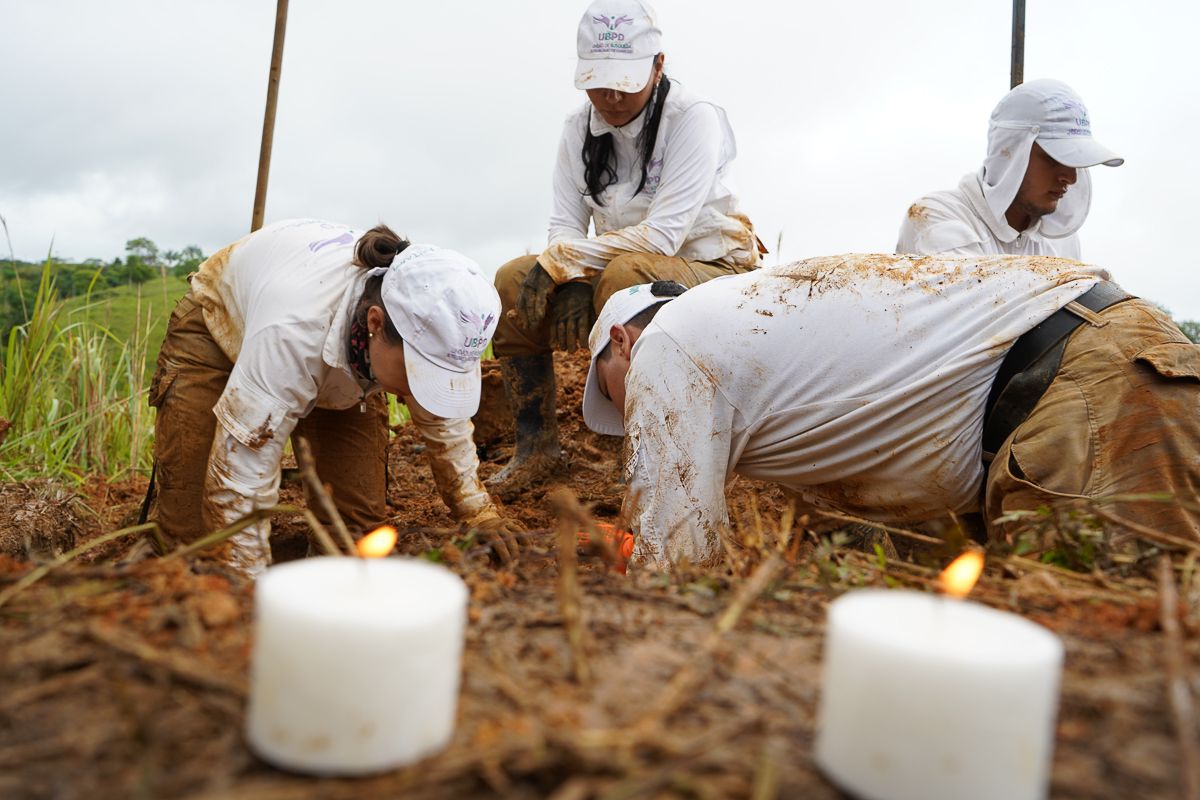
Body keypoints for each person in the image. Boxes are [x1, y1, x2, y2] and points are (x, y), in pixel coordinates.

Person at [584, 259, 1200, 569]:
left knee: (1115, 639)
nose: (628, 416)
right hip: (1101, 355)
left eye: (613, 397)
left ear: (621, 342)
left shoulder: (669, 345)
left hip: (1087, 385)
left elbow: (674, 561)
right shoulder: (744, 323)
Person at [489, 0, 762, 495]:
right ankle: (538, 447)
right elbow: (565, 224)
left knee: (624, 282)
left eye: (626, 79)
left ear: (658, 66)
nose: (611, 95)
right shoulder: (577, 129)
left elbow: (663, 236)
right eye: (598, 79)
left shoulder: (693, 118)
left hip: (712, 267)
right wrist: (567, 279)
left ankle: (643, 453)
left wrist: (567, 263)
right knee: (513, 277)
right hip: (623, 263)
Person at [148, 218, 521, 576]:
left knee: (354, 541)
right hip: (221, 328)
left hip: (347, 367)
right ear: (375, 323)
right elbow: (240, 473)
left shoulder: (442, 330)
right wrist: (249, 592)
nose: (421, 392)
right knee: (198, 544)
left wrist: (477, 511)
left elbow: (446, 424)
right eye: (419, 372)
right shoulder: (293, 329)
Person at [896, 79, 1123, 259]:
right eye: (1054, 158)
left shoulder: (1062, 243)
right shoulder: (937, 217)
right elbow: (979, 311)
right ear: (1011, 152)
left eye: (1074, 162)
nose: (1070, 178)